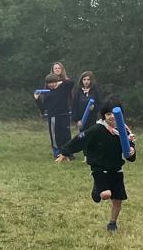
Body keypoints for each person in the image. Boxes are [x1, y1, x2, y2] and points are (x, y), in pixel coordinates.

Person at [56, 98, 135, 233]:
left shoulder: (124, 131)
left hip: (117, 169)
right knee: (105, 194)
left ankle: (112, 223)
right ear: (104, 116)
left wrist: (132, 151)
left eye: (115, 114)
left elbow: (130, 152)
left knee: (118, 200)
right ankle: (97, 190)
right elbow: (80, 139)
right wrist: (65, 151)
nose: (112, 117)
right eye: (108, 114)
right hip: (99, 168)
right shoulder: (97, 129)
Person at [36, 70, 74, 158]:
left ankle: (68, 153)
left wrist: (60, 81)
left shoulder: (64, 88)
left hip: (64, 116)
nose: (51, 84)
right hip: (53, 117)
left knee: (66, 135)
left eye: (53, 82)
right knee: (55, 137)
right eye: (49, 83)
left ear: (57, 82)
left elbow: (71, 82)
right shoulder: (48, 93)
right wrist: (37, 100)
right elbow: (43, 108)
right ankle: (57, 153)